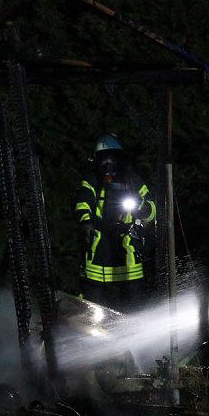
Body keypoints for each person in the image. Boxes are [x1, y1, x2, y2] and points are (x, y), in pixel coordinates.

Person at [74, 133, 156, 312]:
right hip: (99, 248)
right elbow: (83, 201)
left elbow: (152, 210)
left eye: (112, 158)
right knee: (90, 305)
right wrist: (86, 222)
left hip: (126, 248)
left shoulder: (133, 181)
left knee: (134, 305)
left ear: (120, 158)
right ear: (98, 161)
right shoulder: (92, 180)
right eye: (104, 159)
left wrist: (139, 203)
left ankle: (135, 334)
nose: (108, 164)